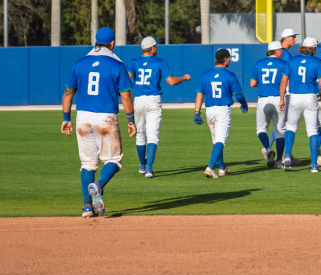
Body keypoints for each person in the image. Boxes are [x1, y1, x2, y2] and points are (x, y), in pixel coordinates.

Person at [61, 26, 136, 218]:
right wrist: (131, 120)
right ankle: (99, 185)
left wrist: (66, 118)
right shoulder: (116, 64)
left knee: (87, 164)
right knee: (114, 160)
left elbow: (68, 93)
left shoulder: (80, 63)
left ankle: (87, 207)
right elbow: (126, 96)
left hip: (83, 117)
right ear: (112, 43)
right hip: (105, 117)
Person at [126, 36, 189, 179]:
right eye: (156, 46)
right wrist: (184, 77)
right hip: (153, 100)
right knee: (152, 134)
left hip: (138, 100)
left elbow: (125, 79)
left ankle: (142, 165)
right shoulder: (159, 62)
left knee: (140, 133)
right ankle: (149, 169)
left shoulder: (134, 62)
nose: (157, 48)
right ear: (152, 48)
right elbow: (172, 82)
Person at [194, 48, 248, 179]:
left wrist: (196, 112)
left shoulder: (205, 75)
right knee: (220, 140)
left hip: (210, 110)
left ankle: (222, 168)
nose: (230, 60)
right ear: (224, 59)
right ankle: (210, 168)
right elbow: (238, 94)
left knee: (216, 140)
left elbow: (199, 94)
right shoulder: (230, 75)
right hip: (222, 110)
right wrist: (244, 104)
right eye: (229, 58)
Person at [279, 37, 321, 172]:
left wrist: (281, 99)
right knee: (312, 130)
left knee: (291, 127)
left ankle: (287, 157)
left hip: (295, 97)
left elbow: (283, 82)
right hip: (310, 96)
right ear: (313, 48)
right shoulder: (317, 61)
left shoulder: (292, 61)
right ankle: (314, 165)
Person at [250, 40, 289, 168]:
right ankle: (278, 160)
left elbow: (252, 84)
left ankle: (267, 148)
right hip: (279, 98)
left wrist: (263, 84)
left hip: (263, 99)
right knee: (280, 131)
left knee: (261, 129)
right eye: (281, 50)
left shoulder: (259, 63)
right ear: (277, 51)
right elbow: (286, 83)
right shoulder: (284, 64)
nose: (282, 52)